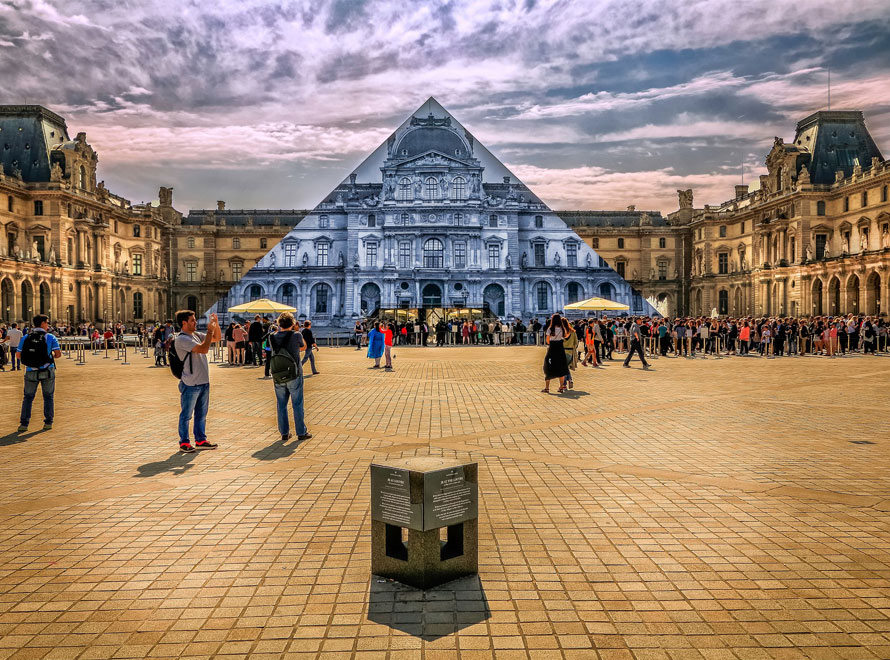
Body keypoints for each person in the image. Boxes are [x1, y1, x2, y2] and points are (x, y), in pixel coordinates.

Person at [173, 309, 221, 453]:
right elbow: (204, 349)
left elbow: (217, 338)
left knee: (201, 414)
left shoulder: (195, 335)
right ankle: (184, 442)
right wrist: (208, 331)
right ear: (184, 323)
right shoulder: (182, 339)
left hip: (203, 382)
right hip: (190, 383)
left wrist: (215, 325)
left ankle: (200, 439)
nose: (195, 322)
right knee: (186, 415)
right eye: (192, 320)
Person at [269, 312, 311, 442]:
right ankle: (301, 432)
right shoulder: (296, 335)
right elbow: (303, 347)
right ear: (293, 324)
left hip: (278, 373)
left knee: (281, 405)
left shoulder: (272, 337)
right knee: (297, 404)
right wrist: (297, 331)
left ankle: (284, 433)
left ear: (279, 323)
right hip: (294, 373)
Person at [16, 314, 62, 432]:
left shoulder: (26, 337)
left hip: (30, 371)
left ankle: (24, 424)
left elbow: (18, 355)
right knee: (48, 397)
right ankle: (48, 422)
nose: (48, 325)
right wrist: (47, 357)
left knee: (28, 398)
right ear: (42, 323)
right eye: (47, 322)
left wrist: (32, 361)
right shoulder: (50, 337)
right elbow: (58, 354)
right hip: (47, 371)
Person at [542, 313, 570, 393]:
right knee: (561, 367)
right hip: (560, 349)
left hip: (552, 349)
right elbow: (567, 336)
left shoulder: (550, 329)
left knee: (548, 366)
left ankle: (547, 387)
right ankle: (561, 387)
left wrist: (552, 340)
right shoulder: (562, 329)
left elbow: (547, 341)